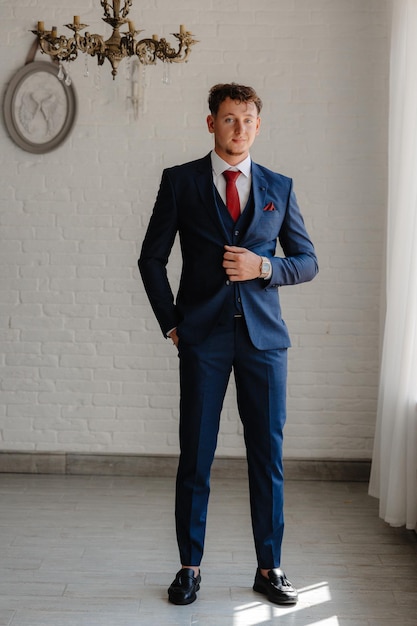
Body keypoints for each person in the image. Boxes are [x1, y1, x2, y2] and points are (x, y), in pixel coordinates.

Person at [139, 83, 318, 606]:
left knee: (268, 455)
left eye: (247, 121)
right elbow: (151, 258)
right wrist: (172, 323)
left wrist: (264, 267)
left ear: (257, 127)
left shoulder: (279, 187)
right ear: (210, 123)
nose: (238, 129)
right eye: (228, 119)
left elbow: (307, 261)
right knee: (195, 453)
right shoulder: (180, 182)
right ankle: (189, 567)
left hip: (264, 340)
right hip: (203, 339)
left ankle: (270, 567)